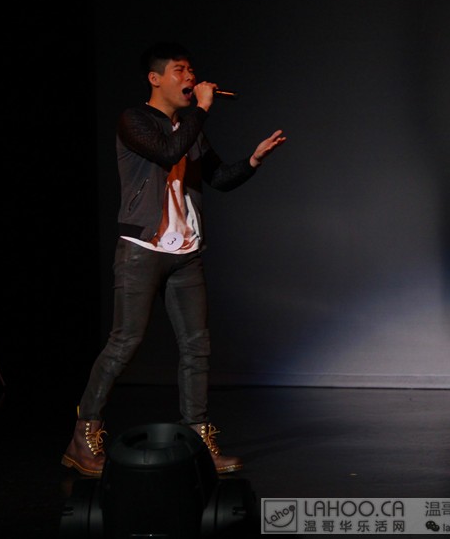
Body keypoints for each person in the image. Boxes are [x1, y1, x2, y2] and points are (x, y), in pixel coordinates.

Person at [62, 42, 287, 476]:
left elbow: (219, 177)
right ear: (156, 78)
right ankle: (83, 434)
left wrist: (253, 160)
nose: (190, 78)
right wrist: (201, 108)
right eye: (180, 71)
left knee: (196, 347)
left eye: (191, 71)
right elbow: (167, 152)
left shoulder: (191, 127)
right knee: (124, 342)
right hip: (142, 250)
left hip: (186, 252)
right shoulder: (134, 120)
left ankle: (199, 441)